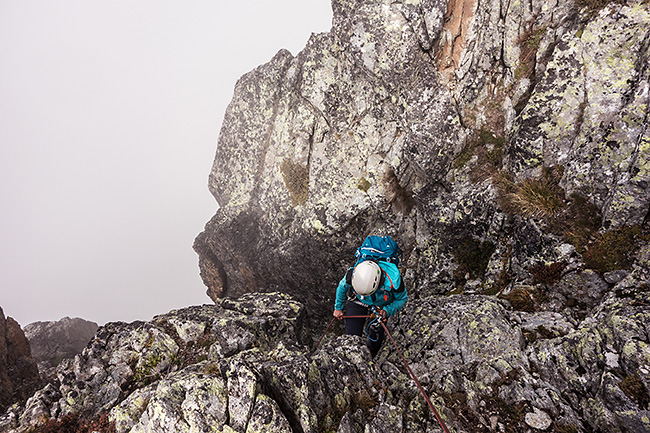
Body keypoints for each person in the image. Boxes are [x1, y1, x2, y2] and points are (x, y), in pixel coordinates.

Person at [333, 259, 408, 357]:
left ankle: (372, 354)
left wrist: (386, 310)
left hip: (381, 306)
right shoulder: (354, 273)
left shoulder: (394, 281)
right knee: (351, 338)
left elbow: (402, 299)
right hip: (358, 299)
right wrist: (338, 308)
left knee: (376, 336)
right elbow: (342, 287)